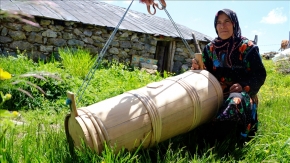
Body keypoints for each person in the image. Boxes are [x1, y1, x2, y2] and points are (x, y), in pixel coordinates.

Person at [191, 9, 267, 143]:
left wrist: (243, 85)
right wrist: (197, 69)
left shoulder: (248, 48)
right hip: (216, 91)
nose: (222, 26)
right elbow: (205, 73)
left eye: (227, 21)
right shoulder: (210, 49)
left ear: (234, 24)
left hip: (242, 94)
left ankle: (214, 141)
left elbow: (259, 75)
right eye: (219, 22)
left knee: (235, 101)